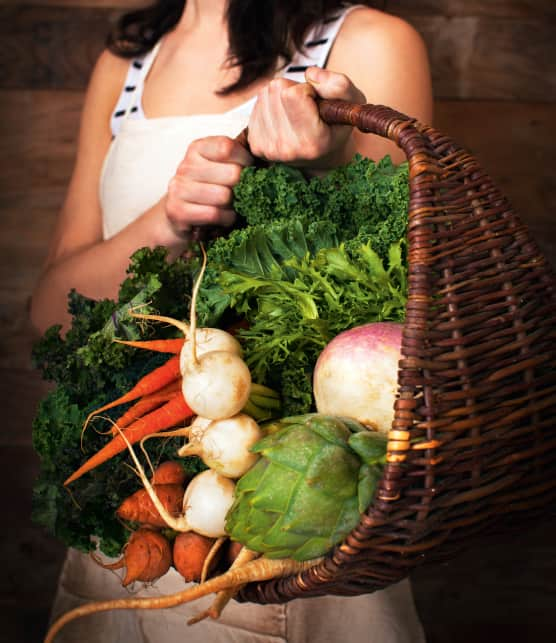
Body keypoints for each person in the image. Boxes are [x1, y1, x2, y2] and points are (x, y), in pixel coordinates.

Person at [32, 1, 433, 641]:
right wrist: (167, 222)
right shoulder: (126, 62)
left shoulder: (369, 42)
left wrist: (328, 164)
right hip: (132, 528)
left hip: (289, 537)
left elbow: (406, 317)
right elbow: (50, 314)